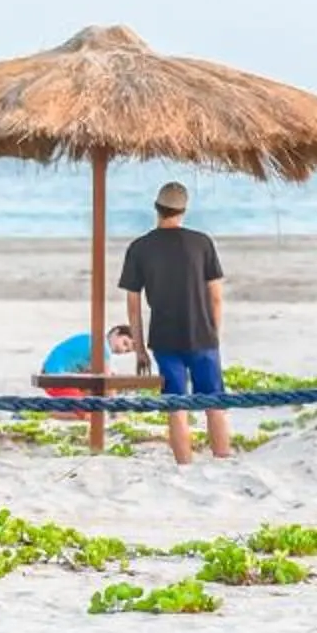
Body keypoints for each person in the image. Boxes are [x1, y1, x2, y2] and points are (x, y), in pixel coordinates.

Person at [120, 182, 231, 466]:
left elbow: (133, 305)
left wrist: (140, 348)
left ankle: (184, 465)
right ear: (183, 210)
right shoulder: (202, 243)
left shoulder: (139, 247)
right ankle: (222, 459)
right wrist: (213, 334)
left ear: (156, 208)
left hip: (164, 337)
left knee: (176, 405)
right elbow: (216, 297)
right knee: (215, 403)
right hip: (202, 335)